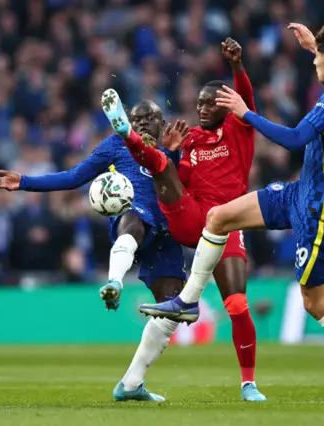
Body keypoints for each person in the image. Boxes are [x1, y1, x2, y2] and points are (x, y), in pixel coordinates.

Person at [139, 24, 324, 403]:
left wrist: (246, 114)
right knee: (219, 218)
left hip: (320, 205)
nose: (312, 61)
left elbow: (295, 139)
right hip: (300, 191)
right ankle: (189, 301)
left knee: (316, 303)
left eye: (316, 58)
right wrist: (318, 44)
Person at [0, 100, 190, 402]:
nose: (143, 123)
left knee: (172, 307)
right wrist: (25, 182)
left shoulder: (174, 149)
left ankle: (131, 384)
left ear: (163, 124)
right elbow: (74, 176)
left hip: (167, 231)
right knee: (135, 219)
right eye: (136, 119)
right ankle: (115, 282)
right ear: (127, 124)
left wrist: (175, 154)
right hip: (132, 215)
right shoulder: (117, 145)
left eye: (151, 118)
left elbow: (186, 187)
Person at [100, 37, 266, 401]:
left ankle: (248, 384)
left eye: (209, 104)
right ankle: (127, 133)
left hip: (228, 220)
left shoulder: (241, 129)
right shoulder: (190, 141)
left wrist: (237, 66)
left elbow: (247, 99)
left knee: (237, 304)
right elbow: (181, 183)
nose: (201, 109)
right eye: (199, 104)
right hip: (191, 219)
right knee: (162, 165)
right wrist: (173, 154)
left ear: (225, 105)